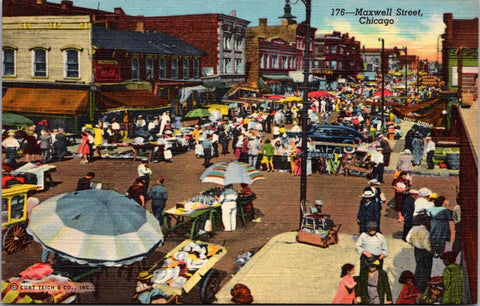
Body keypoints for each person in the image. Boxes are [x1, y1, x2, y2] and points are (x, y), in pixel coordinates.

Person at [406, 214, 434, 293]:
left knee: (418, 267)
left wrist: (414, 244)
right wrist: (432, 251)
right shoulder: (426, 232)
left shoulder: (414, 228)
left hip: (417, 250)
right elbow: (427, 245)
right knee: (425, 270)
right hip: (424, 252)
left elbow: (408, 239)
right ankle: (422, 288)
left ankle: (417, 285)